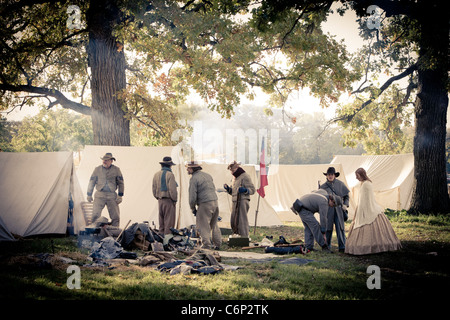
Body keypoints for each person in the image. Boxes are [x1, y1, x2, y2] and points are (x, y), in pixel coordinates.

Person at [345, 168, 402, 255]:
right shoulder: (366, 183)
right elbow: (363, 199)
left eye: (357, 176)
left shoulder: (366, 185)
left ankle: (370, 246)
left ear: (362, 175)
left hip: (367, 208)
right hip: (366, 207)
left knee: (367, 226)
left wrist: (361, 210)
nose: (356, 178)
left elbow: (366, 200)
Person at [186, 162, 222, 249]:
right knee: (214, 224)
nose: (187, 169)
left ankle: (206, 244)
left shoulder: (194, 179)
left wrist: (192, 208)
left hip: (205, 203)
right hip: (215, 201)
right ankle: (218, 243)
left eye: (188, 168)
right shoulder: (208, 175)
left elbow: (192, 196)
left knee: (203, 225)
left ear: (192, 169)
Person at [87, 153, 124, 227]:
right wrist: (89, 194)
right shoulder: (97, 169)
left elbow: (121, 183)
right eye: (104, 160)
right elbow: (92, 182)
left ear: (111, 161)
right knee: (95, 215)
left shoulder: (117, 170)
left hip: (111, 195)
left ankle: (115, 232)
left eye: (107, 160)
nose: (104, 161)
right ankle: (94, 231)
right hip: (99, 194)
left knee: (115, 216)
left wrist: (120, 195)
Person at [320, 166, 350, 252]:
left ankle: (342, 246)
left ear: (335, 175)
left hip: (339, 210)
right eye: (329, 174)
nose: (330, 176)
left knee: (340, 227)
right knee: (328, 228)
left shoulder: (341, 184)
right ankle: (327, 246)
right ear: (326, 176)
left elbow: (347, 196)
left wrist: (345, 205)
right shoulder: (323, 187)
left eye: (332, 174)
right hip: (328, 210)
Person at [224, 161, 255, 237]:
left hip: (243, 200)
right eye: (230, 171)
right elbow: (234, 192)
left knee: (242, 220)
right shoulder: (235, 177)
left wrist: (245, 190)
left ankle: (244, 237)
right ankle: (236, 235)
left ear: (237, 168)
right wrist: (229, 189)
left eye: (233, 170)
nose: (232, 172)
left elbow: (253, 190)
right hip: (235, 201)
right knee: (234, 221)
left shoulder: (245, 176)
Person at [152, 156, 178, 236]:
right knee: (169, 223)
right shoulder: (170, 175)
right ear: (170, 165)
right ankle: (167, 241)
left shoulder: (156, 174)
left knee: (161, 223)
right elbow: (172, 190)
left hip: (160, 200)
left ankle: (160, 238)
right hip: (168, 200)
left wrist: (157, 197)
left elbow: (153, 188)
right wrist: (174, 200)